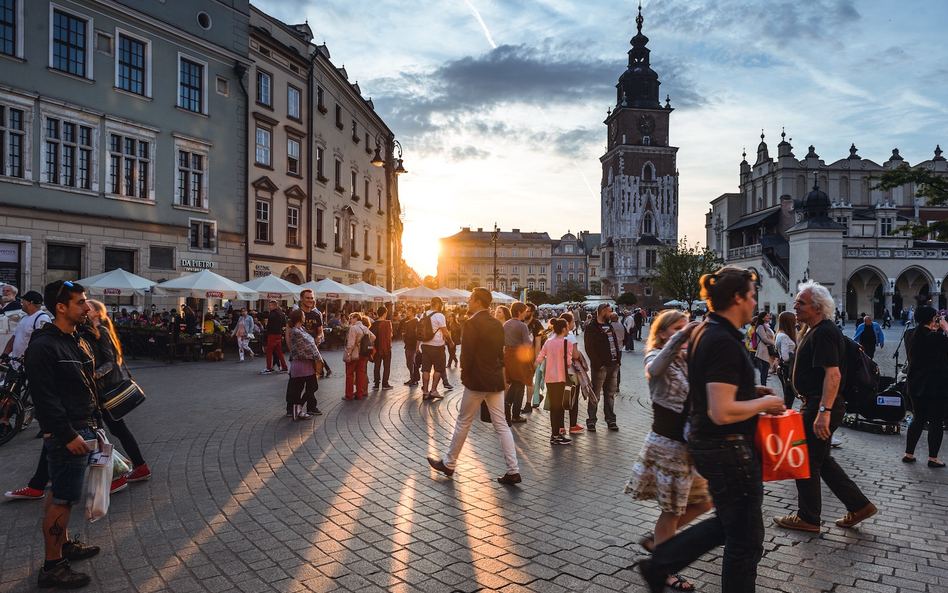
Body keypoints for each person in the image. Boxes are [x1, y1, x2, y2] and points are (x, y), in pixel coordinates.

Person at [639, 266, 786, 593]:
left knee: (735, 524)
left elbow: (710, 388)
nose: (753, 302)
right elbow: (721, 411)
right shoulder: (721, 339)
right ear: (737, 297)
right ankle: (660, 562)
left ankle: (661, 562)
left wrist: (749, 393)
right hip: (727, 447)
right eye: (751, 295)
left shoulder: (708, 331)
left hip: (710, 446)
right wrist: (766, 405)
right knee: (745, 540)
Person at [773, 280, 877, 533]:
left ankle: (808, 517)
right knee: (822, 460)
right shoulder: (814, 330)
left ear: (817, 308)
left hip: (820, 404)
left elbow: (834, 375)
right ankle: (859, 505)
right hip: (816, 403)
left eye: (801, 302)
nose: (795, 306)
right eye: (797, 301)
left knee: (805, 460)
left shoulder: (824, 332)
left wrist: (823, 412)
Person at [626, 310, 711, 592]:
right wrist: (682, 337)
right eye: (676, 328)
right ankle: (664, 567)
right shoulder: (655, 355)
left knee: (704, 501)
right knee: (672, 511)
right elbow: (655, 369)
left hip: (688, 446)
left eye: (684, 327)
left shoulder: (687, 359)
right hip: (668, 444)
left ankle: (659, 541)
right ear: (663, 333)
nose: (682, 332)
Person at [28, 281, 101, 589]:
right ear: (61, 307)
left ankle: (64, 545)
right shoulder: (44, 345)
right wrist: (68, 433)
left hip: (82, 426)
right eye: (81, 302)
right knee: (63, 500)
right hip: (67, 432)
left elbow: (85, 383)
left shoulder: (75, 338)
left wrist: (94, 423)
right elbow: (44, 398)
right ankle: (53, 566)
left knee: (62, 494)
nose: (87, 307)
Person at [426, 287, 521, 484]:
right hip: (494, 379)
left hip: (477, 380)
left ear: (478, 302)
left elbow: (466, 354)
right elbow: (499, 353)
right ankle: (513, 469)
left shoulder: (471, 323)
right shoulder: (496, 323)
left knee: (463, 421)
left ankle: (449, 463)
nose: (468, 301)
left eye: (470, 298)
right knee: (501, 424)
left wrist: (465, 375)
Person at [903, 306, 948, 467]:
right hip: (936, 385)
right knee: (936, 421)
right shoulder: (937, 337)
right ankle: (933, 458)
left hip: (915, 383)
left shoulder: (909, 334)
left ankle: (909, 453)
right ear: (932, 319)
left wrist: (935, 329)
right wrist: (945, 328)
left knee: (918, 418)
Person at [535, 318, 579, 445]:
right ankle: (556, 435)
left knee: (554, 406)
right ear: (564, 329)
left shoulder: (548, 342)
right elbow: (568, 362)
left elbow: (540, 357)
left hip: (549, 378)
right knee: (559, 407)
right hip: (561, 377)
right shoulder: (567, 343)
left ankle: (555, 433)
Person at [584, 303, 621, 432]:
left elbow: (615, 344)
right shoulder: (592, 327)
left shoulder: (610, 326)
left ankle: (611, 420)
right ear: (603, 312)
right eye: (610, 311)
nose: (611, 314)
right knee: (595, 395)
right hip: (600, 367)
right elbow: (589, 348)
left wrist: (618, 361)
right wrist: (598, 363)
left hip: (613, 365)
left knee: (610, 394)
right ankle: (591, 421)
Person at [284, 309, 320, 419]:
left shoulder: (302, 329)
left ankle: (298, 407)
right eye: (303, 315)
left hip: (308, 363)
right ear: (299, 317)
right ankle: (297, 410)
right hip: (300, 363)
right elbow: (307, 345)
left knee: (312, 386)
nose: (305, 316)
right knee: (298, 388)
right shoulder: (295, 331)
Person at [503, 301, 534, 423]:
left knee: (515, 383)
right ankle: (515, 415)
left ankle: (507, 404)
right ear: (519, 312)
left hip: (508, 354)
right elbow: (527, 344)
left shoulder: (506, 324)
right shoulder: (522, 326)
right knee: (520, 383)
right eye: (525, 311)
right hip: (519, 356)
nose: (526, 314)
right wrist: (531, 339)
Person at [419, 297, 450, 400]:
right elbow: (445, 333)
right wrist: (451, 342)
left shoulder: (423, 314)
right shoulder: (439, 316)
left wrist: (417, 346)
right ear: (438, 304)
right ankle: (433, 390)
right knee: (439, 369)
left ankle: (425, 392)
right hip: (437, 346)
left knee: (426, 369)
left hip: (425, 345)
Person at [298, 289, 331, 378]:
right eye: (307, 298)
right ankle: (325, 370)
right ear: (301, 298)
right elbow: (289, 333)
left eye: (311, 298)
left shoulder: (316, 315)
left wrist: (319, 337)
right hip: (300, 352)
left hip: (313, 347)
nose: (310, 300)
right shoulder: (296, 314)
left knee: (312, 385)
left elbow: (320, 332)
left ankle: (322, 372)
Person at [343, 312, 373, 400]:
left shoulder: (354, 328)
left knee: (350, 374)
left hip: (354, 353)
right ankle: (359, 393)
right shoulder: (365, 328)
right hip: (363, 353)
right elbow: (373, 337)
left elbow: (351, 343)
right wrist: (362, 343)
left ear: (356, 318)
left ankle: (349, 395)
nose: (350, 320)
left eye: (351, 318)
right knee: (360, 373)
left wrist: (349, 353)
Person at [774, 311, 798, 409]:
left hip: (784, 368)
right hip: (787, 369)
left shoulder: (781, 333)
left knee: (788, 395)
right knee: (789, 396)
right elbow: (785, 357)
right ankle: (786, 416)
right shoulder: (784, 337)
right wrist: (794, 355)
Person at [261, 300, 287, 374]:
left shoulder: (274, 313)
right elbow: (283, 324)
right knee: (279, 351)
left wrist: (259, 314)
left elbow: (268, 316)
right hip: (278, 334)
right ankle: (284, 366)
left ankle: (269, 368)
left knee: (269, 351)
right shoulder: (281, 314)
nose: (269, 307)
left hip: (273, 334)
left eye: (270, 305)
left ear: (274, 306)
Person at [370, 306, 394, 389]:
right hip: (387, 348)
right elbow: (390, 335)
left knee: (377, 366)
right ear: (384, 314)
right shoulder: (388, 323)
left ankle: (376, 384)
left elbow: (371, 336)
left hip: (377, 348)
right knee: (386, 366)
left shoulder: (374, 324)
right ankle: (385, 384)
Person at [752, 311, 775, 386]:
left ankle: (764, 384)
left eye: (769, 315)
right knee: (764, 369)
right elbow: (764, 339)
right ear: (763, 318)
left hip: (767, 349)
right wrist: (773, 342)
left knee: (766, 368)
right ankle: (763, 385)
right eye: (767, 316)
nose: (769, 317)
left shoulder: (767, 326)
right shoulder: (760, 327)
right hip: (763, 349)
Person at [401, 306, 420, 386]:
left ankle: (414, 379)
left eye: (409, 311)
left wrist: (417, 345)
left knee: (412, 362)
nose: (407, 312)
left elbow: (417, 334)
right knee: (408, 362)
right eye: (407, 310)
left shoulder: (416, 322)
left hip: (412, 344)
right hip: (408, 344)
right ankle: (412, 377)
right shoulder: (407, 322)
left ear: (413, 312)